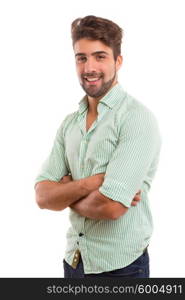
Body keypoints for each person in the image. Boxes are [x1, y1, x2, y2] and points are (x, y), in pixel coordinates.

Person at [34, 15, 162, 278]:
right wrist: (91, 184)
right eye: (81, 58)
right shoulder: (69, 124)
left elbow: (111, 208)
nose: (89, 67)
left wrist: (66, 193)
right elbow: (43, 196)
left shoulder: (136, 119)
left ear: (118, 61)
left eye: (100, 56)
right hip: (74, 262)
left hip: (121, 269)